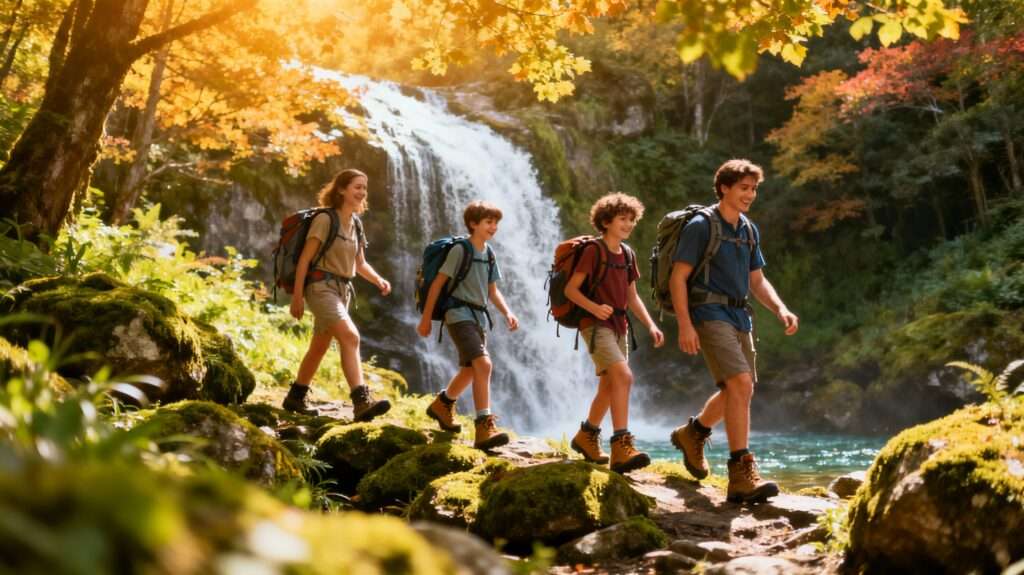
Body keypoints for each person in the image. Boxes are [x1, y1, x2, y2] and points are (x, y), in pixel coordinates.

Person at [668, 159, 799, 504]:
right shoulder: (700, 225)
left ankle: (692, 433)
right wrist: (684, 323)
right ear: (724, 188)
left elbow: (757, 280)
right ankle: (741, 474)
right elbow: (678, 277)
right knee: (740, 384)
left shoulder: (748, 230)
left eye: (754, 189)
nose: (750, 194)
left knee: (738, 389)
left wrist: (780, 308)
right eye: (744, 187)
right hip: (708, 311)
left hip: (740, 314)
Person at [565, 193, 665, 474]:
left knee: (610, 385)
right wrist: (595, 308)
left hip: (619, 326)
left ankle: (586, 436)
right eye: (623, 219)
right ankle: (621, 445)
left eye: (632, 219)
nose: (629, 224)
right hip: (594, 325)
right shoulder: (592, 251)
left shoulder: (628, 254)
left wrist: (651, 325)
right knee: (623, 376)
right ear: (606, 221)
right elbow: (571, 290)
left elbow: (632, 297)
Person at [283, 169, 393, 420]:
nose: (362, 192)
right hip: (320, 288)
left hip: (343, 290)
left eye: (364, 187)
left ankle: (295, 397)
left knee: (319, 347)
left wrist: (378, 280)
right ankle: (361, 400)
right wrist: (297, 297)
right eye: (357, 186)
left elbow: (360, 263)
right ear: (341, 189)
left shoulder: (356, 223)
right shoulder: (325, 219)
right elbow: (304, 260)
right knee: (351, 337)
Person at [418, 201, 520, 450]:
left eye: (496, 222)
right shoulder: (460, 250)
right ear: (473, 224)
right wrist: (426, 318)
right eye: (488, 222)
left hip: (479, 318)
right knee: (483, 363)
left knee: (470, 369)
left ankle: (442, 404)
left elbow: (492, 290)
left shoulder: (489, 253)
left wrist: (507, 312)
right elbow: (437, 284)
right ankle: (483, 426)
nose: (493, 227)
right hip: (458, 314)